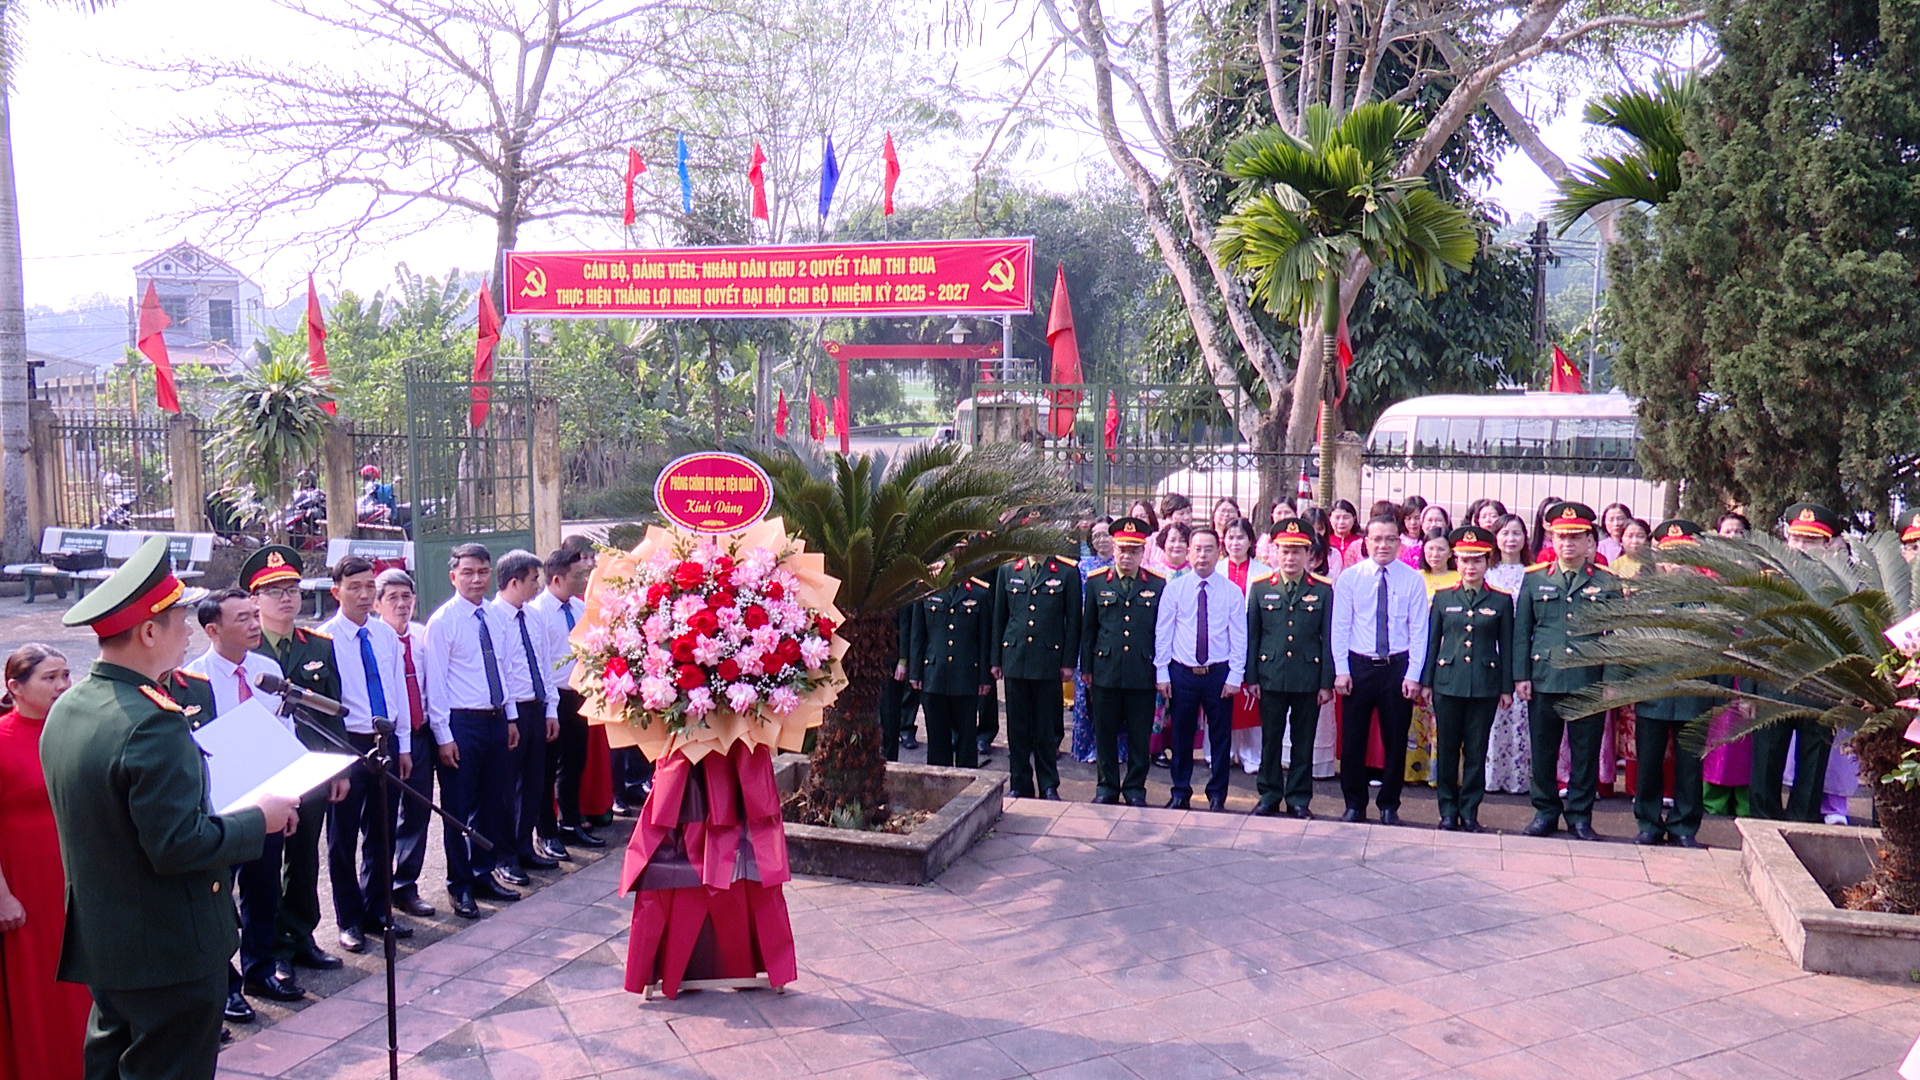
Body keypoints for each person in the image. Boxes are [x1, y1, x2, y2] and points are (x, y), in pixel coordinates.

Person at [40, 536, 298, 1080]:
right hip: (169, 949)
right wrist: (261, 819)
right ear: (149, 631)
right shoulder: (153, 720)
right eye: (181, 621)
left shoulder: (71, 705)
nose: (188, 634)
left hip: (109, 944)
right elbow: (178, 844)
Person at [182, 588, 297, 1020]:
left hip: (266, 800)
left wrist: (289, 797)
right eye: (243, 619)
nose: (254, 625)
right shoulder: (193, 680)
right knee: (219, 898)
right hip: (221, 808)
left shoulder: (267, 669)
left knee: (263, 889)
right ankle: (226, 984)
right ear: (212, 629)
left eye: (254, 616)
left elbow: (284, 730)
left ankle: (261, 970)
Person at [240, 545, 348, 981]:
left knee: (305, 857)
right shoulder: (244, 650)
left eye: (291, 589)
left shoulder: (317, 644)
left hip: (310, 767)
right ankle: (267, 950)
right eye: (273, 591)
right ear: (254, 600)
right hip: (264, 773)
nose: (285, 598)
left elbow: (333, 708)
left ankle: (299, 936)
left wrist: (339, 767)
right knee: (262, 866)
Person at [318, 556, 417, 954]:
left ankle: (378, 909)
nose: (363, 594)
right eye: (353, 587)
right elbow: (323, 706)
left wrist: (404, 744)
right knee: (342, 836)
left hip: (385, 740)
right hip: (347, 743)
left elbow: (396, 691)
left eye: (368, 587)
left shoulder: (385, 635)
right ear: (335, 591)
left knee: (382, 830)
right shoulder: (324, 640)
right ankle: (350, 919)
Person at [0, 645, 90, 1080]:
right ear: (14, 687)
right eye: (49, 678)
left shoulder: (75, 729)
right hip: (25, 881)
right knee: (38, 985)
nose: (61, 686)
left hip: (77, 875)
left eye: (65, 675)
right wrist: (2, 896)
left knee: (82, 985)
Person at [422, 543, 526, 919]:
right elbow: (435, 683)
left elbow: (504, 669)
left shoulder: (495, 617)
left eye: (482, 571)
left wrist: (511, 717)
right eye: (468, 572)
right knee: (458, 809)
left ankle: (485, 873)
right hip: (460, 725)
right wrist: (444, 736)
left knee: (493, 804)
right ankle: (460, 885)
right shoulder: (443, 622)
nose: (476, 579)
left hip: (496, 720)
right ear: (453, 576)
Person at [1514, 501, 1622, 840]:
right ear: (1551, 539)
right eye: (1561, 537)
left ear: (1589, 541)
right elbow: (1522, 633)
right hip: (1545, 677)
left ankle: (1580, 816)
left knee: (1585, 752)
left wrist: (1612, 681)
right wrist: (1521, 676)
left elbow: (1617, 636)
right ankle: (1545, 812)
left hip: (1588, 680)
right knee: (1543, 750)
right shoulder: (1534, 581)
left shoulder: (1606, 582)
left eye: (1575, 537)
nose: (1567, 544)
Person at [1749, 502, 1844, 822]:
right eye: (1796, 539)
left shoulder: (1840, 584)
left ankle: (1803, 823)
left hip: (1822, 688)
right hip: (1773, 685)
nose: (1801, 547)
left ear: (1827, 544)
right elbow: (1752, 634)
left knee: (1814, 763)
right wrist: (1749, 690)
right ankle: (1763, 825)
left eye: (1811, 541)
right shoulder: (1768, 579)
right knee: (1765, 761)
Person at [1420, 526, 1513, 832]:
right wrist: (1427, 682)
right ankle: (1447, 811)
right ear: (1455, 562)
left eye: (1477, 560)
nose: (1470, 567)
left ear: (1488, 563)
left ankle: (1470, 811)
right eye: (1464, 560)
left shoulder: (1501, 600)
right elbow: (1433, 643)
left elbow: (1508, 647)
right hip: (1448, 683)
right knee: (1447, 749)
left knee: (1476, 750)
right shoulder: (1444, 598)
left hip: (1484, 685)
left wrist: (1506, 687)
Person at [1243, 519, 1334, 818]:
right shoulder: (1259, 589)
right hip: (1271, 676)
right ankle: (1269, 795)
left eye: (1297, 551)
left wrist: (1325, 683)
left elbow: (1327, 639)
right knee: (1271, 740)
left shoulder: (1322, 591)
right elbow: (1253, 636)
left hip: (1308, 677)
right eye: (1285, 551)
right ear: (1275, 552)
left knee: (1302, 741)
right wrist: (1251, 677)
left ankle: (1298, 798)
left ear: (1309, 555)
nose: (1290, 558)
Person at [1632, 519, 1713, 848]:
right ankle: (1648, 823)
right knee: (1648, 762)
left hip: (1695, 692)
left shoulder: (1712, 595)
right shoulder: (1643, 591)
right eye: (1669, 555)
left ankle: (1684, 826)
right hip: (1653, 689)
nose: (1676, 563)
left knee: (1689, 767)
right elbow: (1628, 640)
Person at [1153, 526, 1246, 812]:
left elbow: (1239, 636)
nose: (1202, 555)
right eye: (1197, 549)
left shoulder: (1231, 591)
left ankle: (1217, 794)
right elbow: (1163, 632)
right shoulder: (1175, 589)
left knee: (1220, 736)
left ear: (1219, 553)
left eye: (1209, 549)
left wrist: (1235, 676)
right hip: (1183, 673)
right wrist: (1162, 672)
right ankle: (1180, 791)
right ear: (1188, 552)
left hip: (1218, 674)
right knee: (1181, 735)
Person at [488, 550, 561, 880]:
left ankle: (524, 846)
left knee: (533, 784)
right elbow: (500, 669)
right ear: (513, 581)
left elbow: (545, 664)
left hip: (536, 707)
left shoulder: (533, 616)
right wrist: (511, 717)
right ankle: (504, 856)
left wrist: (551, 707)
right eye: (533, 580)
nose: (538, 586)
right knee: (504, 789)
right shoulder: (491, 618)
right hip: (509, 711)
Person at [1082, 518, 1166, 805]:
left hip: (1142, 671)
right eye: (1122, 550)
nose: (1126, 557)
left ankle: (1134, 788)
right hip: (1106, 670)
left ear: (1143, 553)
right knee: (1104, 732)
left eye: (1133, 551)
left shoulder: (1157, 584)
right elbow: (1088, 629)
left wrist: (1160, 671)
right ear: (1113, 550)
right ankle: (1106, 787)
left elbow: (1160, 631)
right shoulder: (1096, 583)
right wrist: (1087, 669)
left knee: (1139, 735)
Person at [991, 548, 1081, 800]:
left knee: (1045, 728)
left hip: (1047, 660)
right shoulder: (1009, 569)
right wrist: (995, 659)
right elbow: (1000, 616)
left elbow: (1073, 620)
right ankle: (1019, 783)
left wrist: (1068, 661)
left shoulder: (1066, 571)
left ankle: (1048, 784)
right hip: (1015, 658)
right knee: (1016, 728)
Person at [374, 569, 439, 918]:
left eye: (407, 597)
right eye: (393, 598)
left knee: (417, 811)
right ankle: (378, 895)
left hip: (420, 734)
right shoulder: (376, 639)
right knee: (383, 820)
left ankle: (405, 886)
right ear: (378, 603)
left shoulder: (420, 636)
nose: (401, 604)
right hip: (387, 738)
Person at [530, 543, 603, 850]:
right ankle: (547, 833)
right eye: (576, 576)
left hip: (579, 695)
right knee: (546, 771)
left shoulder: (578, 608)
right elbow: (540, 661)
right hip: (552, 697)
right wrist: (548, 705)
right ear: (557, 579)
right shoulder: (538, 613)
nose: (583, 581)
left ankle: (571, 822)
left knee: (574, 764)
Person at [909, 566, 995, 768]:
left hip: (965, 675)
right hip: (934, 674)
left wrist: (984, 678)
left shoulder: (979, 593)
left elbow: (984, 640)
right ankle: (939, 786)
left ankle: (967, 784)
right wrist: (915, 672)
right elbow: (918, 635)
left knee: (967, 738)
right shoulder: (927, 592)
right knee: (937, 738)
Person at [1484, 515, 1534, 795]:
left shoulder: (1534, 573)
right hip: (1492, 651)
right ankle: (1491, 777)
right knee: (1492, 717)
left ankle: (1519, 779)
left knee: (1520, 716)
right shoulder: (1487, 573)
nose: (1511, 539)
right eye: (1504, 533)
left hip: (1523, 650)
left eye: (1517, 533)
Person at [1219, 519, 1270, 776]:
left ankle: (1252, 753)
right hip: (1221, 643)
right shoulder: (1215, 569)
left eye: (1240, 538)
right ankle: (1221, 751)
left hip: (1253, 641)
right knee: (1222, 699)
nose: (1235, 543)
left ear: (1250, 541)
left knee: (1250, 697)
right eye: (1230, 537)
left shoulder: (1264, 572)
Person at [1068, 522, 1116, 764]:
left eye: (1106, 534)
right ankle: (1086, 748)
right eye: (1096, 536)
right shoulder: (1081, 568)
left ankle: (1115, 749)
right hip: (1087, 637)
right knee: (1086, 695)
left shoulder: (1123, 565)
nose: (1101, 540)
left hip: (1114, 637)